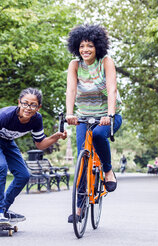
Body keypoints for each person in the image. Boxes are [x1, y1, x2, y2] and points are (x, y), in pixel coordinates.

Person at [0, 88, 67, 224]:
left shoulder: (36, 119)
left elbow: (40, 144)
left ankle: (3, 210)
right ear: (19, 102)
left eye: (33, 105)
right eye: (25, 103)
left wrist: (56, 136)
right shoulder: (6, 115)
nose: (28, 108)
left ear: (38, 107)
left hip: (6, 138)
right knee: (1, 166)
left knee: (24, 175)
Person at [65, 24, 122, 223]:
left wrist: (110, 114)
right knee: (83, 160)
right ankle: (79, 209)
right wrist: (70, 114)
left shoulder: (105, 62)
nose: (85, 50)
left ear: (97, 46)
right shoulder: (74, 65)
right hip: (83, 116)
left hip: (108, 115)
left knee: (98, 135)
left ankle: (107, 170)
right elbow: (71, 90)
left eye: (89, 45)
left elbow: (112, 89)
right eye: (81, 46)